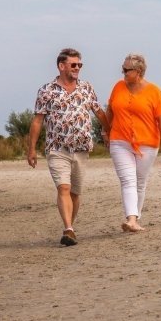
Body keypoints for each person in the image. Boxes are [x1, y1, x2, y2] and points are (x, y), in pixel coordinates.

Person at [28, 48, 110, 247]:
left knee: (75, 192)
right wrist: (31, 149)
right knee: (63, 187)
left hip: (81, 149)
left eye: (80, 65)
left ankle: (70, 229)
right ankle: (68, 228)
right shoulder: (47, 90)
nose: (77, 68)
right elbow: (38, 121)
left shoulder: (86, 88)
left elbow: (99, 113)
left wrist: (107, 132)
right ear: (61, 66)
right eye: (74, 65)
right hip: (57, 148)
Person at [106, 53, 161, 232]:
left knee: (140, 182)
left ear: (139, 71)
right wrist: (106, 131)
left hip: (148, 143)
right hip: (119, 141)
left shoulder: (154, 91)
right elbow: (110, 110)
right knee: (128, 179)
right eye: (123, 69)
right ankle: (131, 220)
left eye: (127, 70)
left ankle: (135, 218)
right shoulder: (118, 87)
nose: (123, 73)